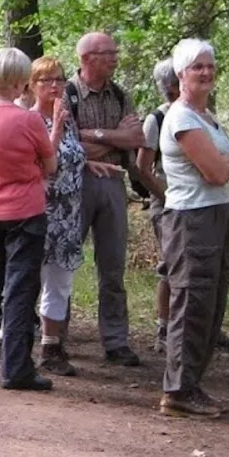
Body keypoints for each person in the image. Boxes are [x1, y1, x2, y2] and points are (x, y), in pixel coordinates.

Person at [158, 38, 229, 418]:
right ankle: (178, 389)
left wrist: (228, 163)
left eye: (210, 65)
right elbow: (216, 172)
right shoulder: (181, 118)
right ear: (181, 74)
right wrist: (227, 164)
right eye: (198, 67)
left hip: (217, 214)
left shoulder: (208, 118)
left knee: (211, 303)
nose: (206, 72)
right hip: (192, 220)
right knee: (192, 302)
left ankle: (190, 383)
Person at [0, 48, 57, 390]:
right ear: (20, 82)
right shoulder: (28, 120)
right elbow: (50, 165)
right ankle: (16, 367)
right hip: (24, 212)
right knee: (20, 289)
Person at [69, 31, 145, 365]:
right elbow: (68, 145)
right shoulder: (67, 95)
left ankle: (116, 341)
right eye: (108, 53)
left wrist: (93, 136)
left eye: (115, 52)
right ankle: (53, 336)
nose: (115, 58)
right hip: (75, 184)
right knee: (64, 262)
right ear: (87, 58)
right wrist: (116, 138)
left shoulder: (120, 95)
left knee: (112, 266)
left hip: (114, 182)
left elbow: (136, 139)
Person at [29, 56, 96, 378]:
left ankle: (51, 345)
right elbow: (42, 165)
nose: (55, 86)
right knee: (29, 280)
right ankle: (9, 337)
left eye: (59, 79)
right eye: (46, 81)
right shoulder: (28, 121)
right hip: (39, 212)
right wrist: (54, 126)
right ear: (32, 85)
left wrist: (91, 164)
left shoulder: (67, 120)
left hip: (69, 214)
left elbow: (71, 155)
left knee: (60, 282)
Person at [136, 57, 179, 353]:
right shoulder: (157, 119)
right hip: (166, 205)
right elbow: (142, 168)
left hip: (196, 203)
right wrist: (165, 197)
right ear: (173, 86)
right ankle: (165, 328)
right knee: (171, 265)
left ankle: (192, 322)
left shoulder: (203, 114)